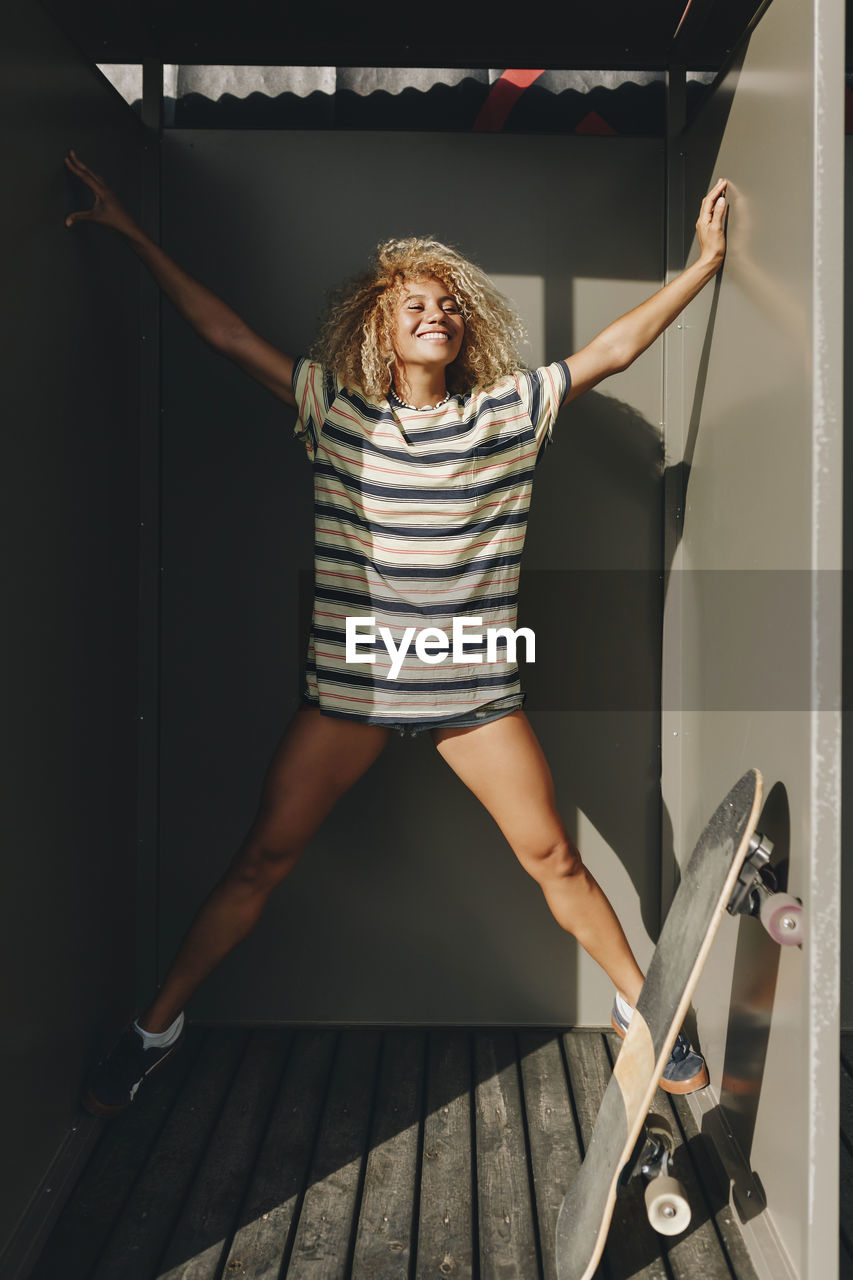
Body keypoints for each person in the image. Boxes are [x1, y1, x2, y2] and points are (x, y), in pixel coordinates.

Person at [64, 149, 728, 1115]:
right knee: (261, 861)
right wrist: (131, 233)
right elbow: (224, 332)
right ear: (380, 327)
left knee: (556, 861)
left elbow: (615, 350)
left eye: (449, 305)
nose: (436, 313)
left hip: (470, 692)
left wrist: (702, 265)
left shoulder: (507, 415)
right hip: (355, 690)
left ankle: (646, 1010)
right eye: (415, 304)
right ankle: (152, 1029)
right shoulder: (334, 415)